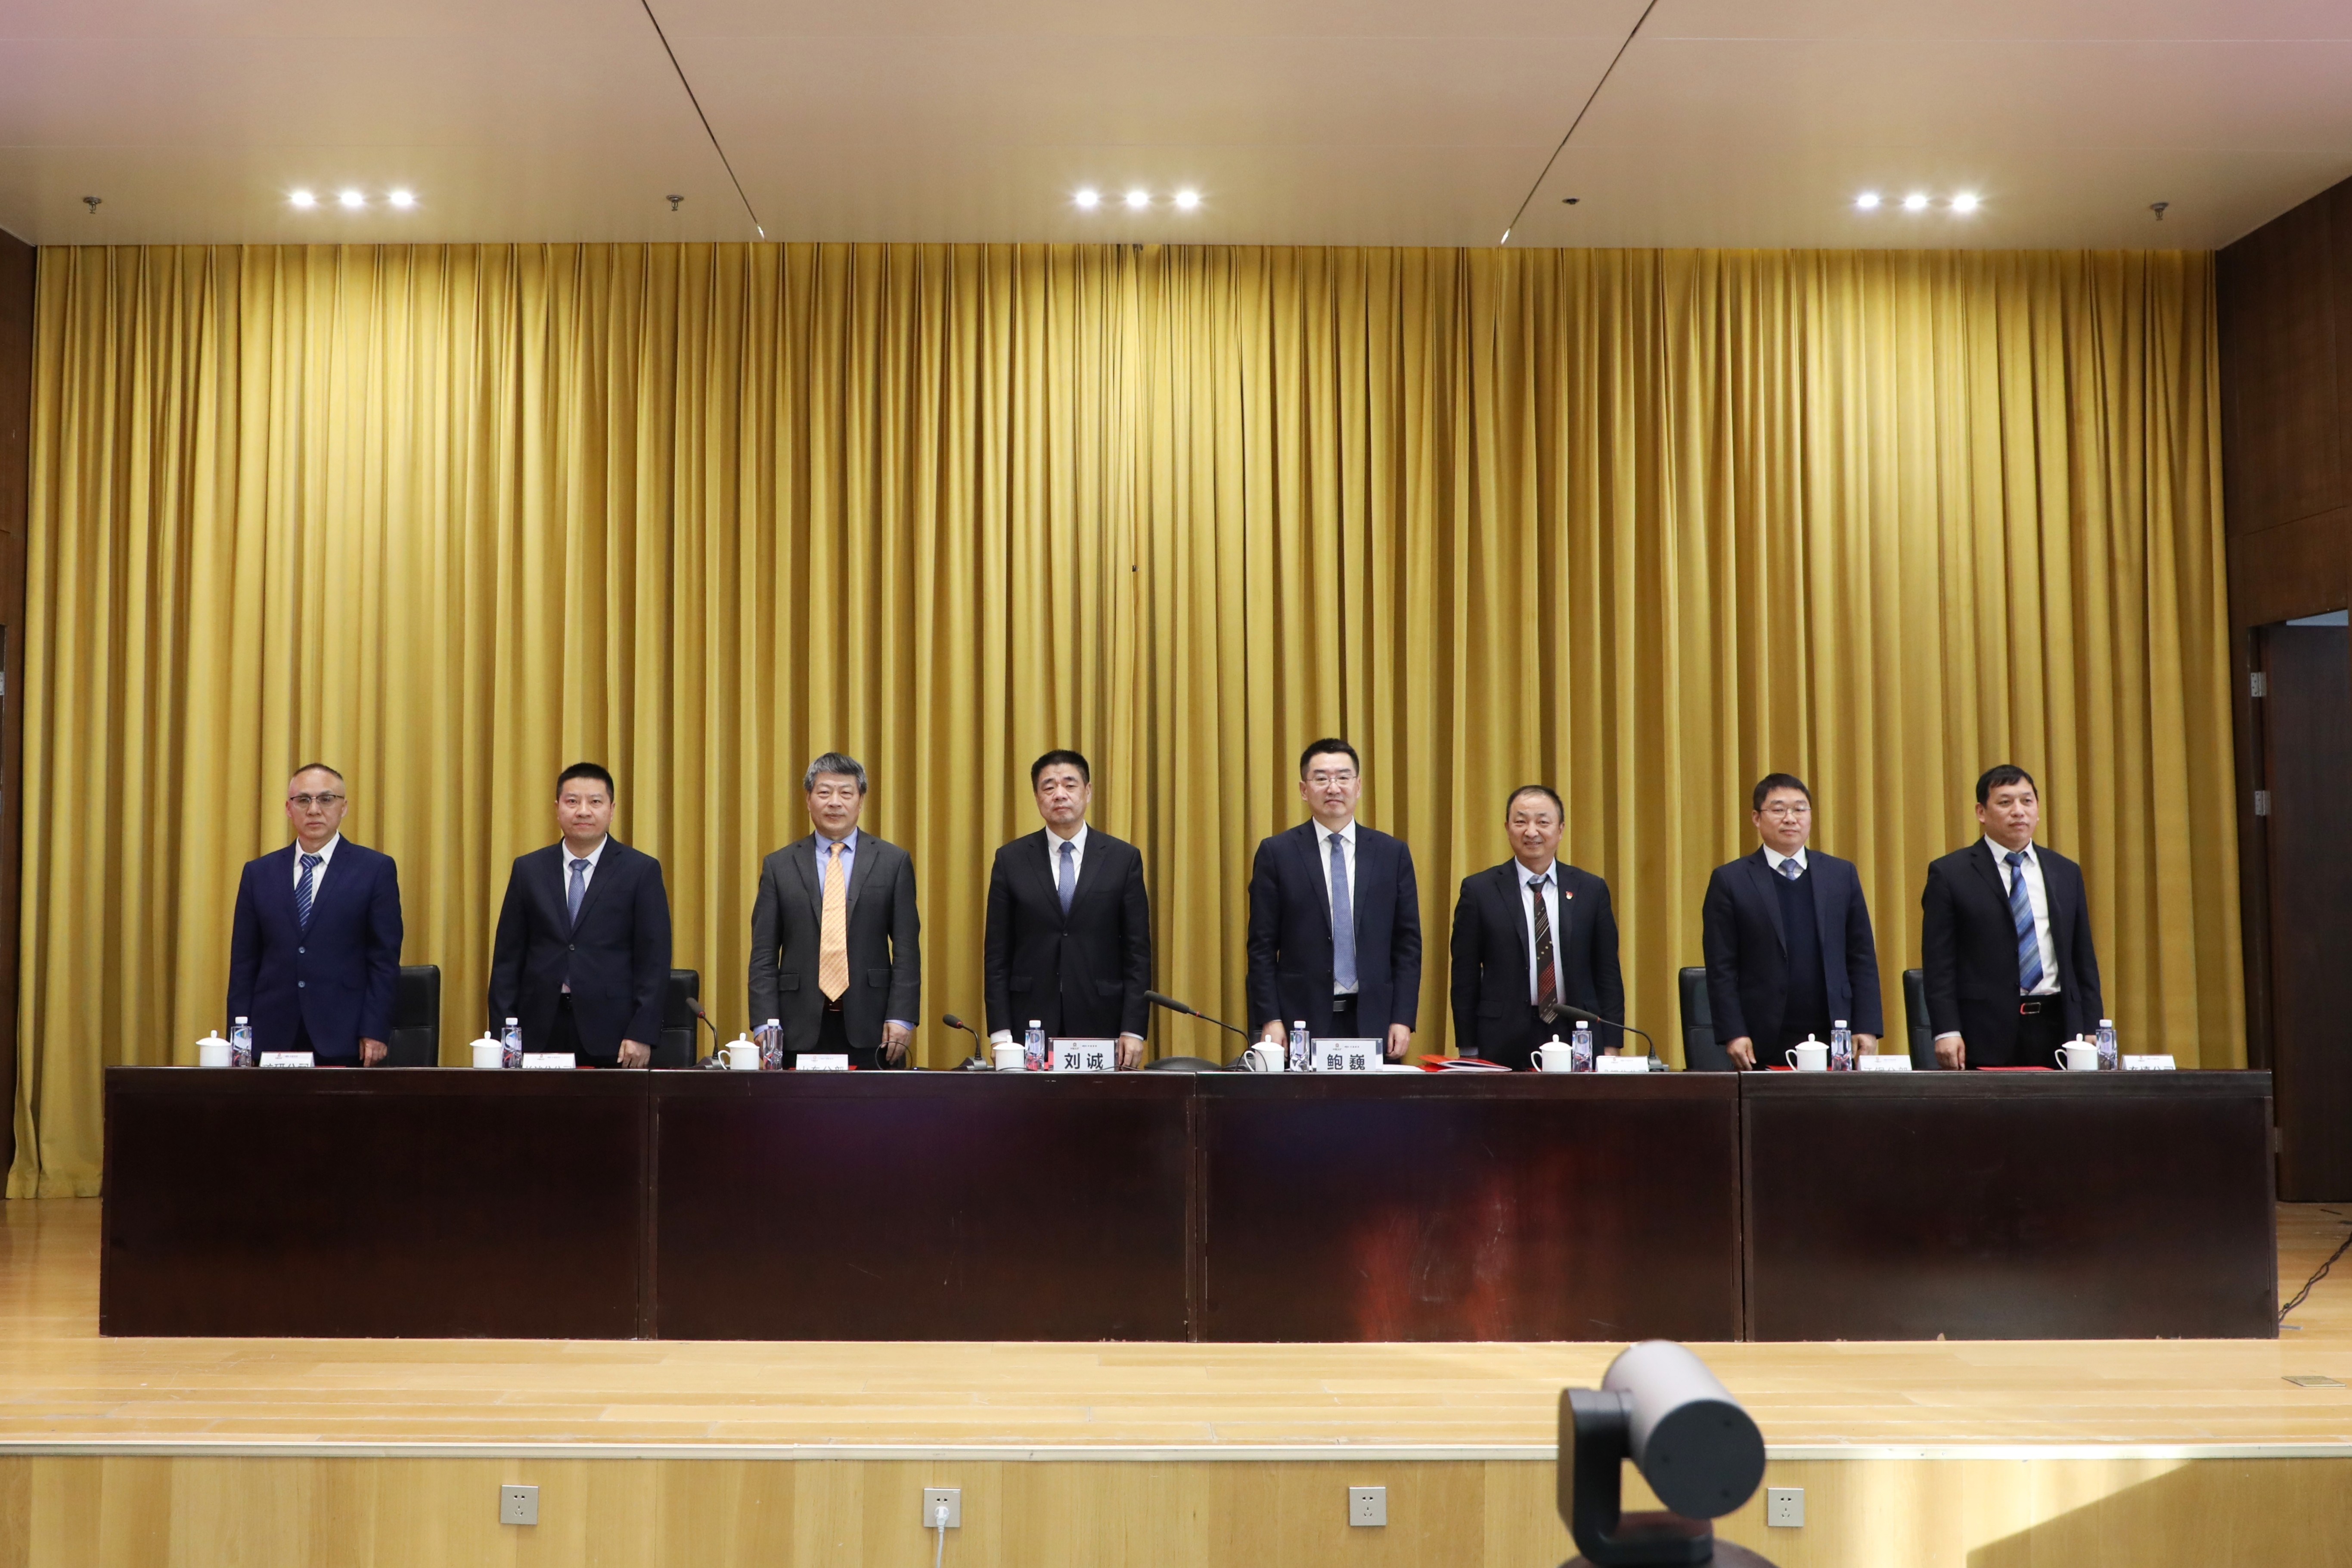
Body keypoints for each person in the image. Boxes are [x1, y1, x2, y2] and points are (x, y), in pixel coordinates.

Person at [487, 763, 673, 1068]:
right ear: (558, 808)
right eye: (572, 801)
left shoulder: (640, 871)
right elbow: (507, 960)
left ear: (611, 810)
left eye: (595, 802)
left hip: (614, 1033)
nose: (583, 811)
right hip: (538, 1029)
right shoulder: (529, 870)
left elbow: (654, 961)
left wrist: (642, 1032)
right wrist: (504, 1036)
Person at [1246, 738, 1421, 1060]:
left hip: (1375, 1020)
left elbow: (1408, 944)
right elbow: (1261, 946)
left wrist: (1402, 1017)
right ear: (1304, 789)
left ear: (1358, 786)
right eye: (1321, 779)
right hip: (1299, 1022)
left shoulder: (1391, 854)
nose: (1333, 788)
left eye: (1343, 777)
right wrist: (1270, 1017)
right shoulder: (1277, 853)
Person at [1920, 764, 2103, 1069]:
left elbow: (2082, 957)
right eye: (2005, 802)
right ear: (1981, 812)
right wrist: (1946, 1030)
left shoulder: (2065, 871)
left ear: (2038, 809)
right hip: (1984, 1029)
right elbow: (1939, 963)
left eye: (2027, 801)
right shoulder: (1950, 874)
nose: (2019, 811)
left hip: (2060, 1026)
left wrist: (2092, 1025)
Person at [748, 751, 921, 1068]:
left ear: (861, 800)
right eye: (825, 792)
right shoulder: (779, 865)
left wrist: (902, 1016)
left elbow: (907, 949)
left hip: (874, 1025)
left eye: (846, 793)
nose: (835, 803)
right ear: (808, 799)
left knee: (875, 1103)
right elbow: (763, 953)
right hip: (796, 1026)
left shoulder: (893, 862)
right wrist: (764, 1023)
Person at [1700, 773, 1883, 1069]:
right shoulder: (1731, 880)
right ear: (1757, 818)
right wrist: (1733, 1032)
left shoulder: (1841, 874)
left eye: (1800, 809)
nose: (1790, 818)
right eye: (1778, 809)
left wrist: (1867, 1025)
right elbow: (1721, 966)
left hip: (1835, 1033)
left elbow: (1861, 956)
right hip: (1761, 1037)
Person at [984, 749, 1152, 1069]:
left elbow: (1137, 954)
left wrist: (1133, 1029)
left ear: (1088, 791)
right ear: (1037, 797)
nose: (1059, 794)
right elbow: (997, 955)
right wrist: (1000, 1033)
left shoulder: (1122, 859)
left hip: (1102, 1017)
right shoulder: (1011, 860)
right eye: (1048, 787)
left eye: (1070, 785)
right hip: (1029, 1021)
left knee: (1097, 1102)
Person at [225, 764, 404, 1065]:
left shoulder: (375, 870)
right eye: (303, 800)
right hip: (272, 1034)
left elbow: (384, 960)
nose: (314, 810)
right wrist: (240, 1038)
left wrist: (375, 1030)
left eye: (326, 799)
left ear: (344, 807)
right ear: (288, 808)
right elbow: (244, 963)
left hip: (344, 1033)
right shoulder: (259, 873)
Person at [1448, 784, 1624, 1069]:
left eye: (1543, 822)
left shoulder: (1591, 889)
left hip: (1577, 1031)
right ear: (1507, 828)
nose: (1532, 832)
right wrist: (1468, 1047)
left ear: (1561, 829)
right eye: (1521, 822)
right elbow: (1464, 975)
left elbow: (1608, 973)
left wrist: (1612, 1044)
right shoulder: (1479, 890)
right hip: (1501, 1035)